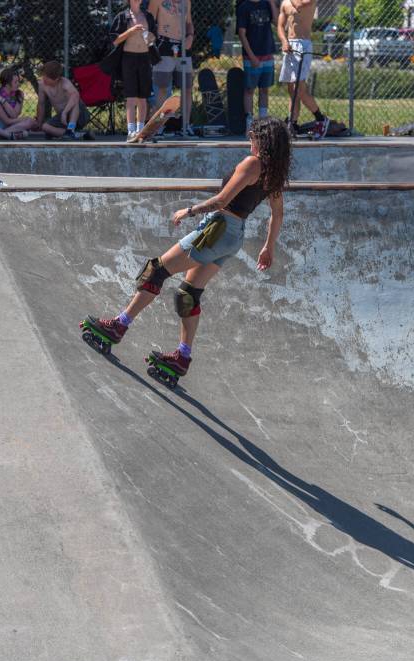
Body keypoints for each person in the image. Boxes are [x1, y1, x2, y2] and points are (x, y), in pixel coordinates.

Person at [84, 117, 291, 378]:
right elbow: (278, 214)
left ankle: (118, 325)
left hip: (217, 230)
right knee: (188, 294)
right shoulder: (273, 174)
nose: (250, 140)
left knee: (156, 271)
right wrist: (268, 247)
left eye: (253, 136)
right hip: (233, 237)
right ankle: (182, 356)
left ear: (263, 140)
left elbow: (221, 200)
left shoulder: (253, 164)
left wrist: (189, 210)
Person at [277, 0, 329, 137]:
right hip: (290, 45)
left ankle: (321, 119)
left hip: (302, 44)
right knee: (291, 89)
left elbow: (299, 5)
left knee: (299, 88)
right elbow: (280, 26)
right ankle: (292, 122)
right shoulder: (285, 3)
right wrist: (284, 41)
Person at [109, 0, 157, 141]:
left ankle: (140, 130)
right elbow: (115, 40)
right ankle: (130, 131)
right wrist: (131, 31)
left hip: (144, 58)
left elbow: (153, 40)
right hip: (128, 58)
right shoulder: (122, 17)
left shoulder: (148, 16)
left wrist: (147, 35)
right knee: (131, 96)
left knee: (143, 97)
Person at [148, 0, 194, 136]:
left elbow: (189, 22)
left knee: (187, 87)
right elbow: (148, 22)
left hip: (183, 47)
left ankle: (185, 125)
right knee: (162, 87)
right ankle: (159, 126)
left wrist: (190, 36)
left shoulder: (186, 1)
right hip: (164, 45)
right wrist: (150, 41)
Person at [237, 0, 279, 134]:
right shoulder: (244, 7)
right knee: (249, 89)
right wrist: (252, 56)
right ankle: (249, 123)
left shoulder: (267, 4)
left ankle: (263, 122)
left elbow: (277, 22)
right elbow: (242, 34)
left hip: (267, 53)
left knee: (264, 89)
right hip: (252, 56)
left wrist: (272, 3)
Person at [34, 60, 93, 140]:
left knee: (74, 99)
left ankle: (71, 128)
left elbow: (76, 95)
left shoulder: (64, 82)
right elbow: (41, 104)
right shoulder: (42, 85)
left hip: (79, 115)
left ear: (57, 79)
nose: (44, 78)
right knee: (45, 127)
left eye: (47, 77)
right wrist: (39, 123)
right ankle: (78, 135)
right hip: (63, 119)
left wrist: (65, 112)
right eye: (44, 75)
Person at [0, 66, 36, 139]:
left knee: (30, 122)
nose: (18, 84)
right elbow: (6, 121)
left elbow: (14, 115)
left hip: (10, 125)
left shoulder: (19, 94)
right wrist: (3, 100)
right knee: (26, 130)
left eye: (18, 81)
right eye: (15, 82)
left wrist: (3, 101)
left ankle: (1, 135)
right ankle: (2, 134)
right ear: (7, 85)